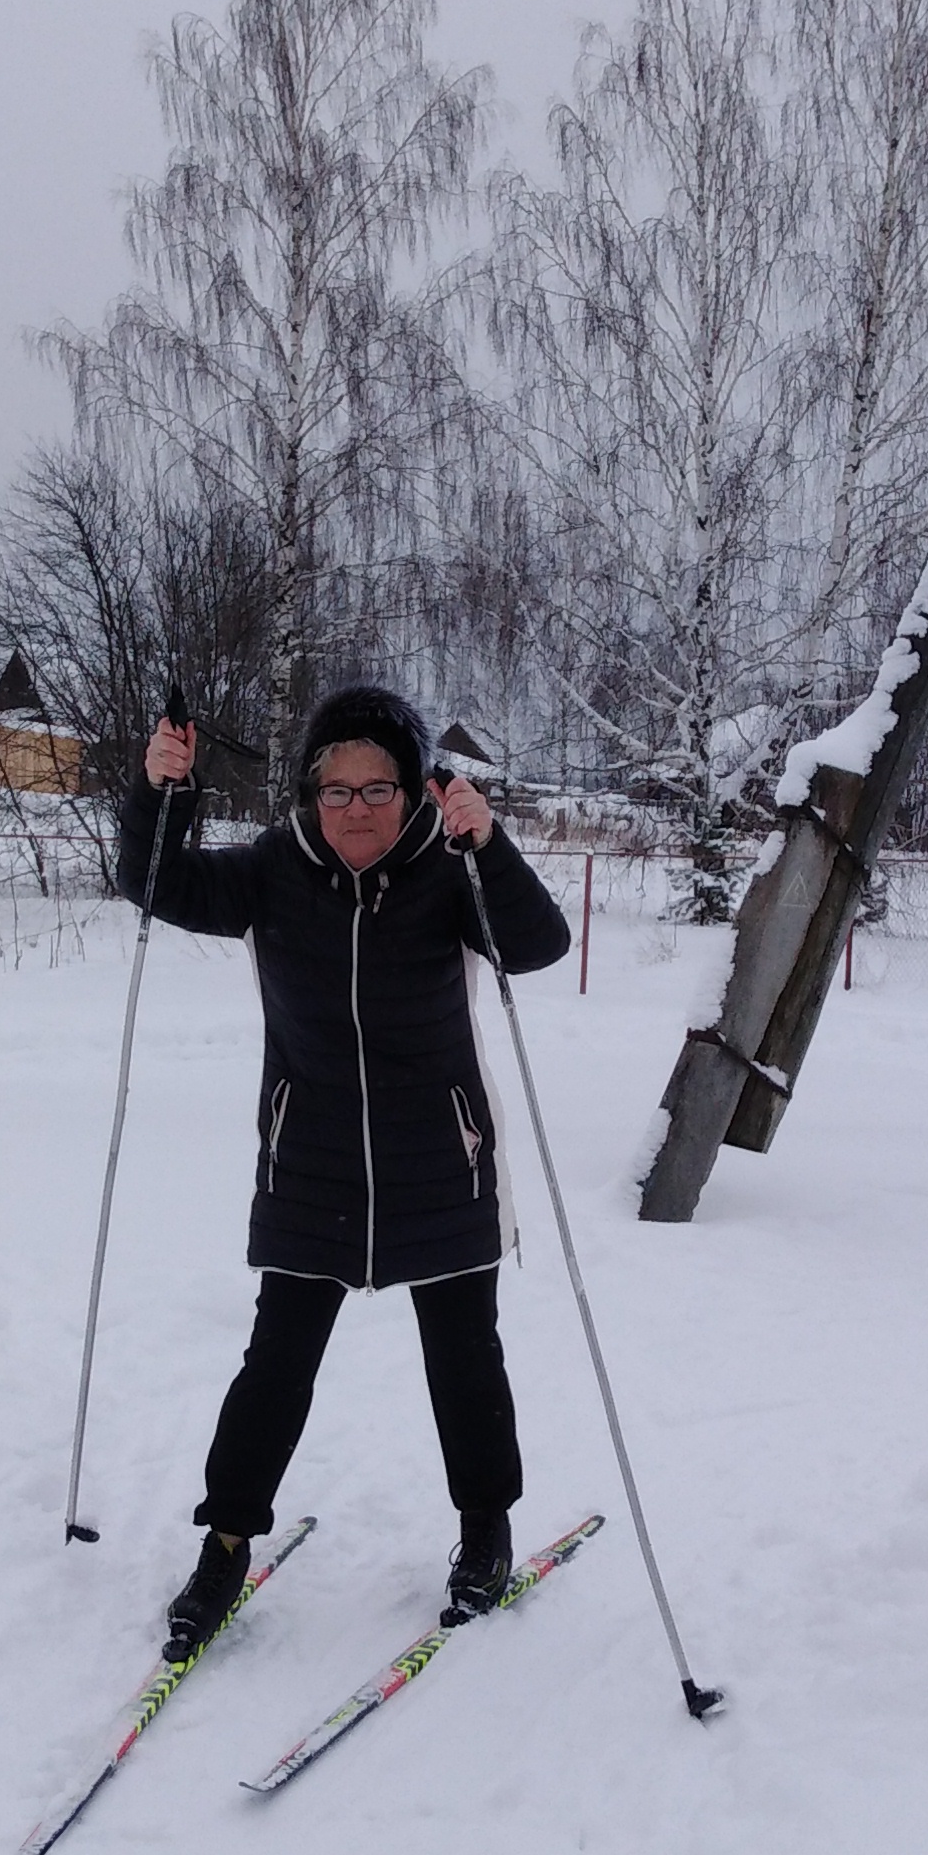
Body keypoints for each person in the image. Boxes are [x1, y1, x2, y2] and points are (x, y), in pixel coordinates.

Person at [115, 683, 573, 1657]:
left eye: (377, 788)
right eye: (336, 789)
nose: (356, 808)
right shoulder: (272, 871)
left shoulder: (449, 868)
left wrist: (489, 843)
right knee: (276, 1363)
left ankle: (485, 1529)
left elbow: (537, 945)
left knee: (465, 1359)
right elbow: (159, 883)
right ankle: (225, 1544)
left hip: (442, 1160)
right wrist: (162, 793)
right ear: (309, 794)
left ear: (411, 791)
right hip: (311, 1163)